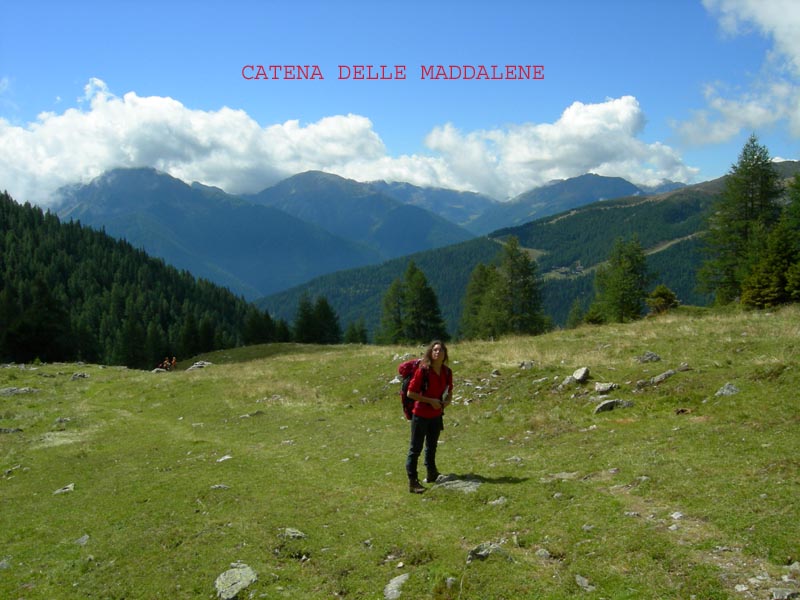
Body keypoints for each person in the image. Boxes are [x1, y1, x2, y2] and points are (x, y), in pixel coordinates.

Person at [405, 340, 453, 493]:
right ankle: (413, 481)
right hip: (420, 415)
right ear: (430, 353)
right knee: (415, 449)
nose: (438, 352)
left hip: (436, 415)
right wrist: (430, 401)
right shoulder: (423, 371)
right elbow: (410, 393)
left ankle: (431, 473)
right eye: (435, 350)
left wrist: (445, 402)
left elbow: (449, 392)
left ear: (445, 354)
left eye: (440, 350)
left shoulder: (447, 372)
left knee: (432, 446)